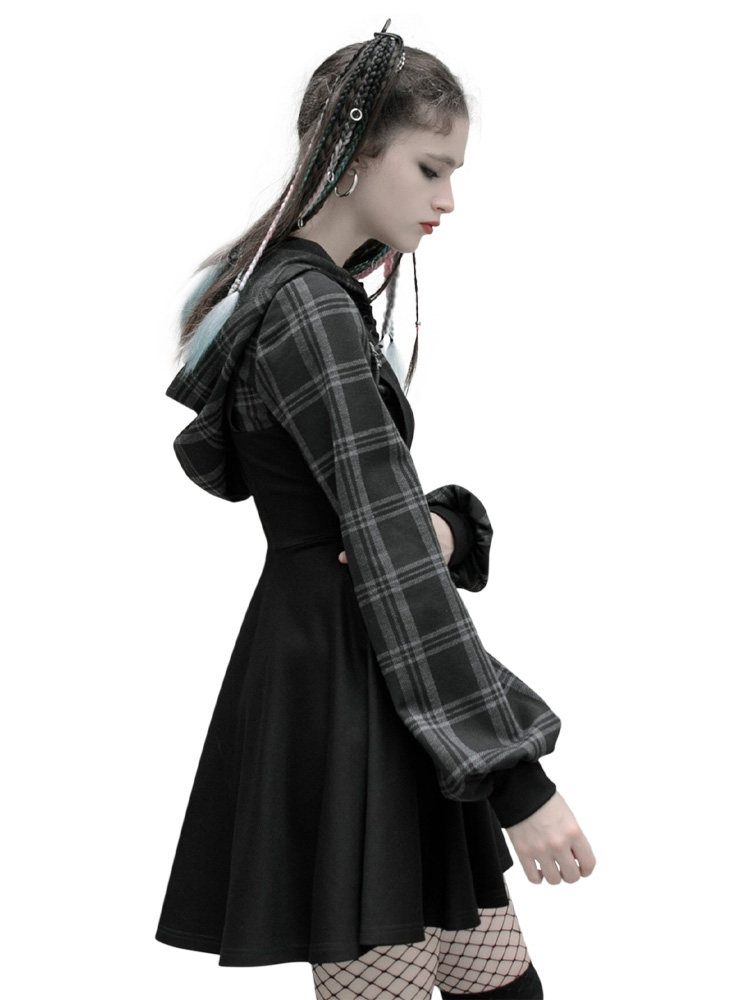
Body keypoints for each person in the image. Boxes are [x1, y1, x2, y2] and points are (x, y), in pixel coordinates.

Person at [154, 21, 596, 1000]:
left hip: (364, 669)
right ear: (355, 155)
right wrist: (518, 779)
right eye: (431, 168)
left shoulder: (298, 294)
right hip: (355, 677)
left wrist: (434, 526)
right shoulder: (309, 309)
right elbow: (383, 550)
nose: (448, 200)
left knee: (500, 983)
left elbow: (364, 519)